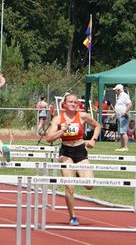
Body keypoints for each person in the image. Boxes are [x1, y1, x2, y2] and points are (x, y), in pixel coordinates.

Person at [45, 93, 101, 226]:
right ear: (64, 104)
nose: (73, 104)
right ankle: (73, 216)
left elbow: (98, 126)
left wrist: (93, 140)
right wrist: (62, 131)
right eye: (70, 102)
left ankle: (78, 172)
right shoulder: (58, 119)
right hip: (66, 153)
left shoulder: (82, 116)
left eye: (75, 102)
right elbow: (49, 138)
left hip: (80, 151)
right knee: (69, 187)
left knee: (89, 185)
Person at [113, 84, 132, 151]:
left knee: (123, 132)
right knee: (121, 132)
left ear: (119, 90)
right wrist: (114, 115)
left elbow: (130, 104)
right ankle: (122, 146)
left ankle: (125, 147)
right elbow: (118, 107)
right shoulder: (119, 96)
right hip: (119, 116)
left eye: (116, 90)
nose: (115, 91)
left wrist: (125, 112)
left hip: (123, 116)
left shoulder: (124, 95)